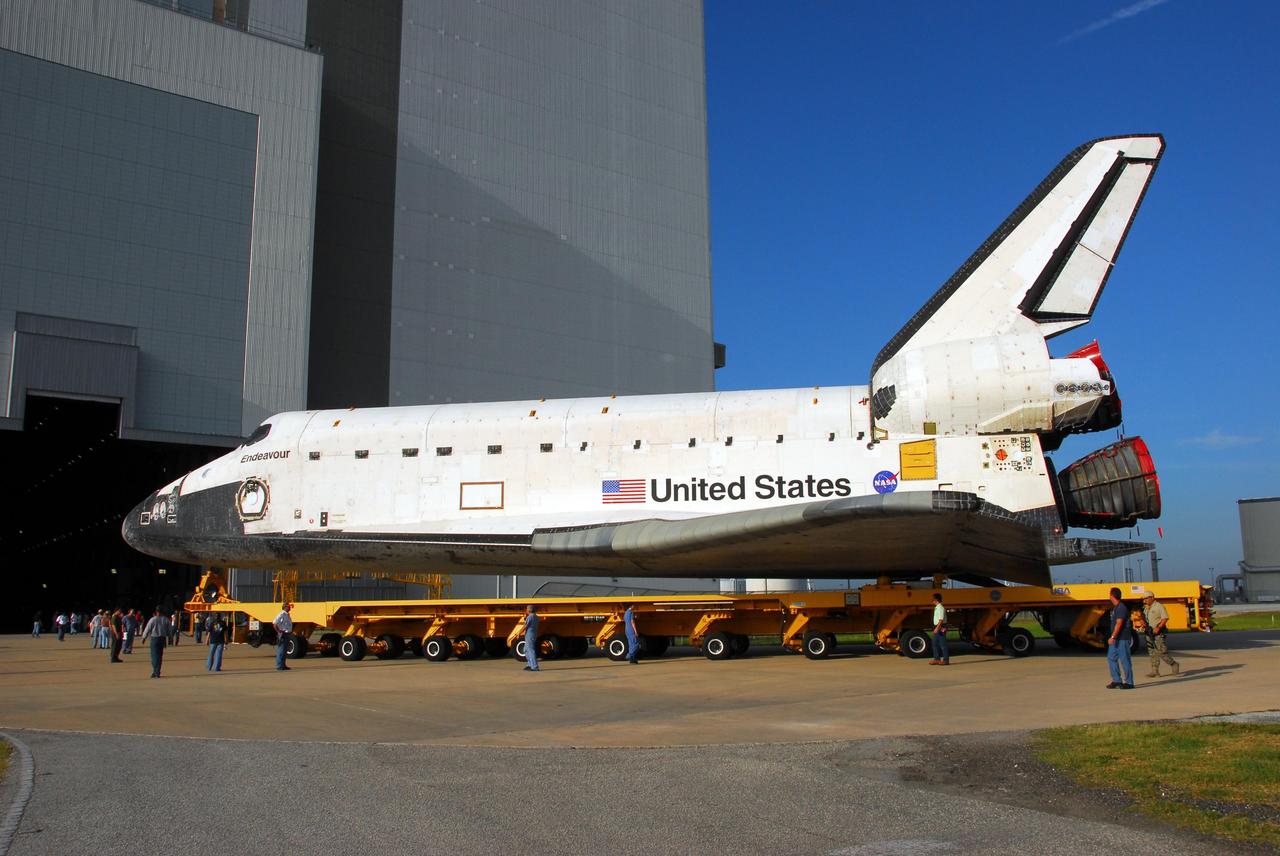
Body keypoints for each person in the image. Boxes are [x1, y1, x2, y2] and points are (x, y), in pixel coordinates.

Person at [1142, 591, 1180, 678]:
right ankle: (1155, 671)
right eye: (1144, 599)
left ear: (1152, 597)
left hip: (1158, 633)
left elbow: (1165, 618)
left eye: (1146, 598)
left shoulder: (1159, 606)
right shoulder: (1146, 608)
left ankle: (1173, 664)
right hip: (1149, 632)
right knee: (1152, 652)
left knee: (1162, 652)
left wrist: (1158, 627)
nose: (1145, 600)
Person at [1105, 587, 1135, 689]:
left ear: (1112, 596)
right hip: (1116, 639)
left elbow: (1119, 623)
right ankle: (1116, 680)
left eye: (1110, 594)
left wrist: (1113, 636)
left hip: (1122, 638)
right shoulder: (1116, 607)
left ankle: (1129, 682)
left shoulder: (1121, 607)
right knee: (1111, 657)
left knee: (1124, 660)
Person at [140, 607, 172, 678]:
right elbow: (169, 630)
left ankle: (156, 671)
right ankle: (157, 671)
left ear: (156, 612)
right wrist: (170, 638)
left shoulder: (153, 619)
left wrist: (144, 638)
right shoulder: (166, 619)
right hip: (162, 639)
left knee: (154, 656)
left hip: (154, 638)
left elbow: (147, 629)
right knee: (160, 656)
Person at [929, 592, 950, 665]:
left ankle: (946, 660)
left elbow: (941, 620)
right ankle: (936, 659)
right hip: (937, 627)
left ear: (936, 600)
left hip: (940, 627)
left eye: (932, 599)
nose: (931, 600)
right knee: (934, 643)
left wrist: (937, 628)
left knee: (943, 644)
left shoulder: (940, 608)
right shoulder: (937, 607)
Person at [273, 602, 293, 671]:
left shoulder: (287, 615)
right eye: (288, 606)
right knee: (281, 650)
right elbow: (275, 623)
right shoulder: (281, 614)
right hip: (283, 634)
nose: (290, 607)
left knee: (284, 651)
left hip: (287, 634)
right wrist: (279, 631)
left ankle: (283, 665)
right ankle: (279, 666)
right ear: (285, 607)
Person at [522, 605, 540, 671]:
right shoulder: (536, 617)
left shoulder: (530, 617)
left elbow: (525, 626)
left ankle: (534, 666)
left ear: (529, 610)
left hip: (530, 635)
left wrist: (518, 633)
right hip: (532, 634)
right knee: (525, 650)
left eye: (526, 609)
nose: (526, 611)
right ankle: (530, 664)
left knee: (530, 650)